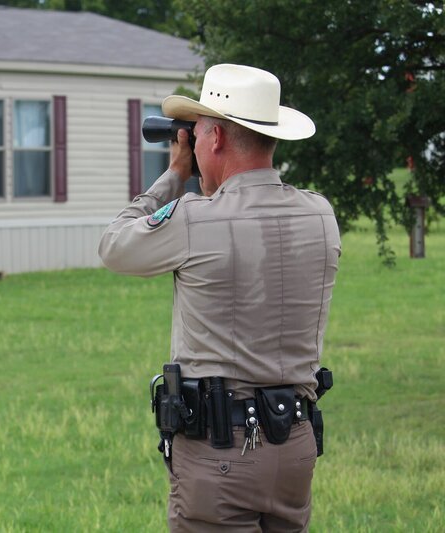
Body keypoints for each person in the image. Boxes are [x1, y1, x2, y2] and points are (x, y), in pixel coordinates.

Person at [98, 64, 341, 531]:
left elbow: (114, 246)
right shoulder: (320, 214)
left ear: (213, 140)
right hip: (294, 444)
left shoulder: (194, 219)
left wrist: (173, 174)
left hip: (219, 452)